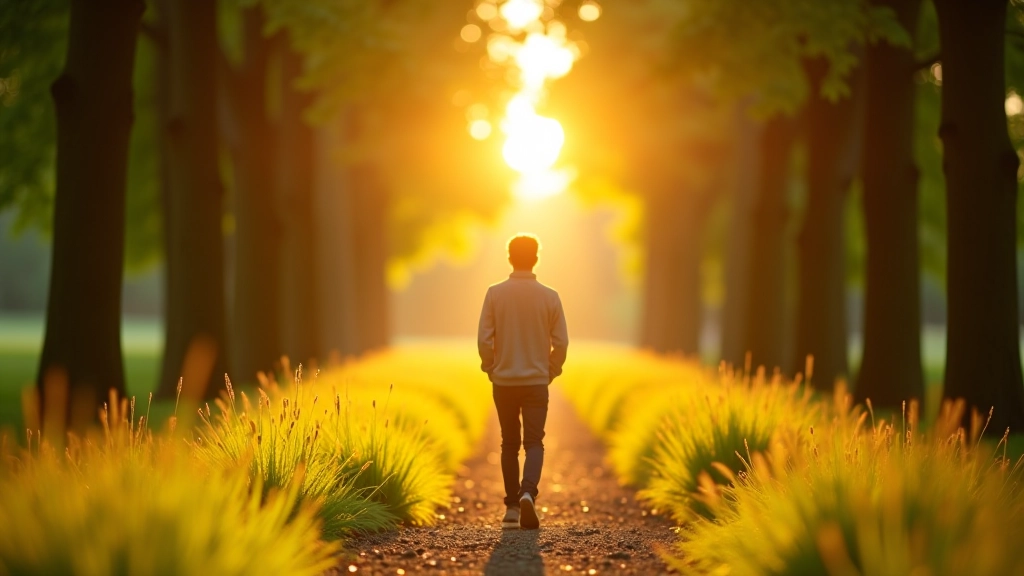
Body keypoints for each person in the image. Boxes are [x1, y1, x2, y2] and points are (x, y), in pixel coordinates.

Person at [477, 234, 569, 530]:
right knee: (534, 442)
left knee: (508, 443)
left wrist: (490, 367)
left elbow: (484, 339)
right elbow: (561, 342)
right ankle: (528, 492)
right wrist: (551, 370)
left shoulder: (495, 294)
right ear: (536, 259)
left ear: (509, 258)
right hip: (536, 382)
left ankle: (512, 509)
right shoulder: (550, 296)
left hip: (504, 382)